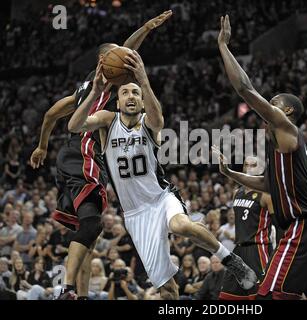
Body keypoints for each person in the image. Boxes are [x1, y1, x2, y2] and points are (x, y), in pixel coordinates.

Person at [67, 52, 257, 300]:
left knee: (181, 225)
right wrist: (94, 92)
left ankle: (229, 259)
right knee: (167, 290)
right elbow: (73, 126)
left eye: (136, 93)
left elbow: (159, 120)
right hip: (135, 215)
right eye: (125, 93)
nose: (131, 96)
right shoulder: (106, 120)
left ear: (143, 101)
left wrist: (143, 78)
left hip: (160, 198)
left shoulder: (148, 121)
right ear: (117, 102)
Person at [29, 11, 173, 300]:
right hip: (86, 154)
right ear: (105, 62)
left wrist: (42, 145)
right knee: (93, 226)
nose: (125, 60)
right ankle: (67, 289)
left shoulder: (82, 90)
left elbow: (50, 114)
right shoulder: (106, 79)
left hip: (67, 156)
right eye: (116, 57)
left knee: (87, 235)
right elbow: (127, 51)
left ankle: (78, 296)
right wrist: (145, 27)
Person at [217, 15, 307, 300]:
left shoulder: (287, 129)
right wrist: (232, 174)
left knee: (269, 296)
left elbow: (245, 89)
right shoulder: (279, 149)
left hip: (302, 226)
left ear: (286, 113)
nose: (267, 110)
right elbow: (267, 184)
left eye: (273, 105)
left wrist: (224, 46)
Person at [212, 155, 274, 300]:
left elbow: (280, 223)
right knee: (227, 296)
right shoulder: (237, 192)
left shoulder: (266, 194)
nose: (249, 168)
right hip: (238, 249)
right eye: (246, 165)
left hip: (258, 249)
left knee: (261, 296)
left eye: (253, 165)